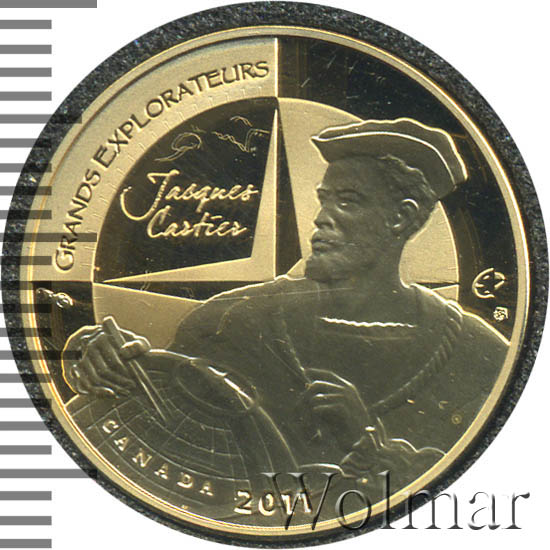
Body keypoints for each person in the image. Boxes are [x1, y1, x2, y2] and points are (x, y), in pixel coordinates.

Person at [62, 118, 508, 504]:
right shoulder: (231, 319)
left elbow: (474, 483)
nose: (321, 217)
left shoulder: (479, 353)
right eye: (324, 199)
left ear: (402, 217)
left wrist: (366, 442)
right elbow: (160, 408)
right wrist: (98, 357)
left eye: (348, 201)